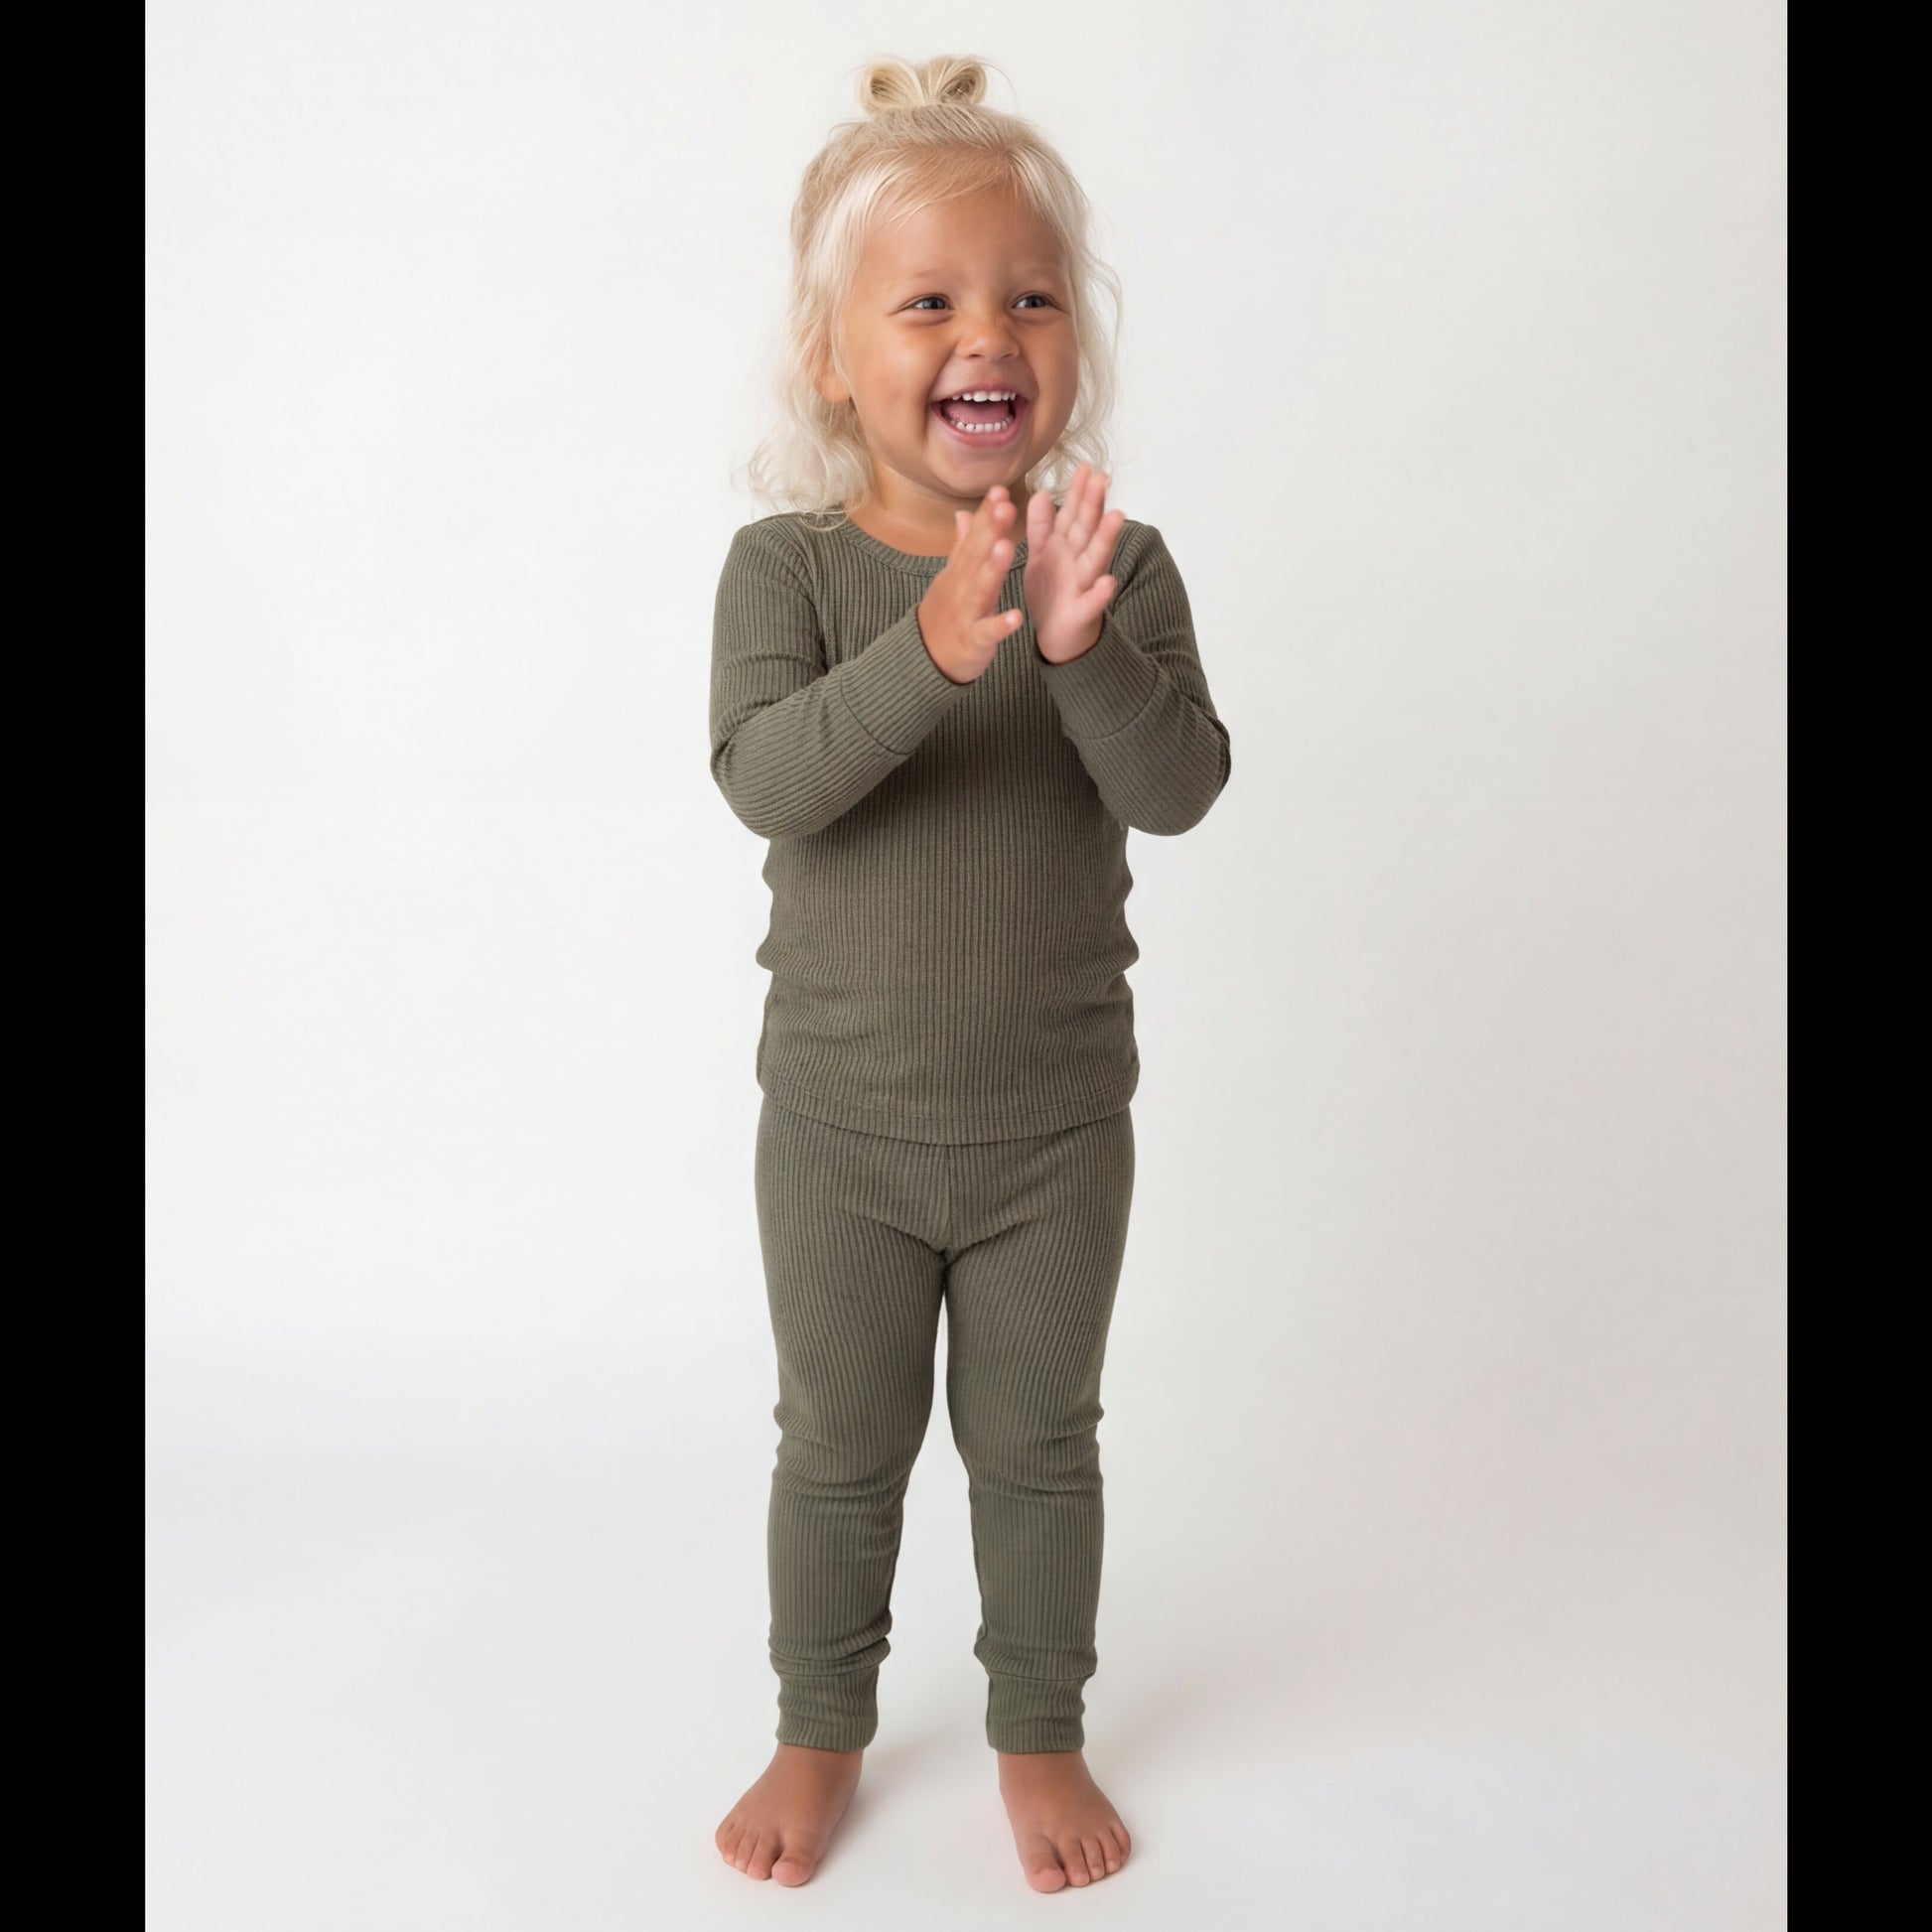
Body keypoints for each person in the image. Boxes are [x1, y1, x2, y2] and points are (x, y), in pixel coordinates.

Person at [708, 52, 1231, 1892]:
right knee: (837, 1450)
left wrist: (1077, 651)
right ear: (834, 355)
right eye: (925, 299)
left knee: (1037, 1447)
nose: (981, 330)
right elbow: (768, 778)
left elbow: (1179, 791)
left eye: (1024, 294)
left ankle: (1038, 1729)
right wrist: (936, 642)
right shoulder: (787, 571)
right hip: (840, 1130)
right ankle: (817, 1724)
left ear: (1066, 341)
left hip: (1049, 1133)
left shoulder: (1118, 562)